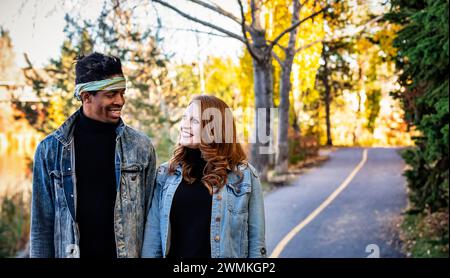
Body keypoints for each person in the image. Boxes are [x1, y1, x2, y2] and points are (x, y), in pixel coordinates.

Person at [30, 52, 156, 258]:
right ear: (86, 96)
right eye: (111, 94)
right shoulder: (50, 150)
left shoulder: (141, 147)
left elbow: (152, 223)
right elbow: (41, 227)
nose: (120, 101)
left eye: (122, 93)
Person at [142, 94, 266, 258]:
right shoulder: (166, 174)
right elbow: (153, 240)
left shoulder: (244, 176)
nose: (184, 126)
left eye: (193, 121)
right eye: (184, 118)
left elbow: (256, 244)